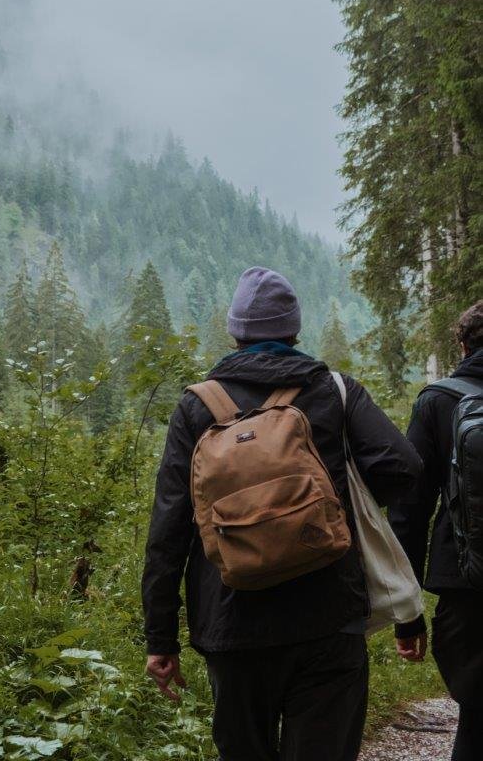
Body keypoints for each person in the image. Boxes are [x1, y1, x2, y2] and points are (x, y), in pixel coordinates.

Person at [142, 267, 423, 761]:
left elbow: (168, 528)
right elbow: (403, 467)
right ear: (294, 330)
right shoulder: (333, 390)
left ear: (235, 332)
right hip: (329, 616)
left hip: (231, 626)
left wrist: (160, 637)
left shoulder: (196, 407)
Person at [389, 300, 483, 761]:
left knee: (477, 711)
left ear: (463, 345)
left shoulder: (437, 400)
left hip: (464, 580)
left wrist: (407, 610)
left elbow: (409, 508)